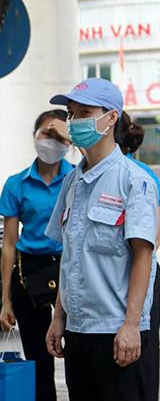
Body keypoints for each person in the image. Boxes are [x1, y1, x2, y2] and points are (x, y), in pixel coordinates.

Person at [43, 78, 159, 401]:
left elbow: (143, 256)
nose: (74, 121)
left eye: (84, 112)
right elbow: (69, 258)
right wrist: (58, 318)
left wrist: (132, 325)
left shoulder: (134, 181)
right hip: (78, 332)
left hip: (116, 333)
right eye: (71, 113)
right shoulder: (72, 183)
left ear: (110, 118)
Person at [0, 110, 73, 401]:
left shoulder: (78, 179)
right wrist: (5, 298)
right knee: (39, 359)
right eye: (46, 133)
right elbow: (8, 244)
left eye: (58, 136)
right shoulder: (16, 184)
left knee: (76, 351)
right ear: (34, 136)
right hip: (28, 272)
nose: (51, 141)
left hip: (68, 268)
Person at [116, 110, 160, 400]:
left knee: (139, 356)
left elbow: (153, 238)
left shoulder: (140, 176)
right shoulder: (80, 176)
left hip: (140, 271)